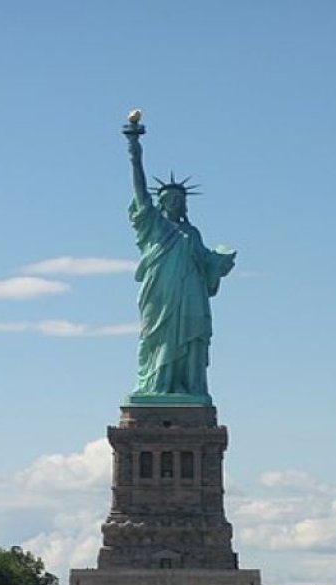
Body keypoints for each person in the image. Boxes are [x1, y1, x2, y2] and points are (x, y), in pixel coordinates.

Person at [124, 120, 236, 403]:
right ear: (160, 203)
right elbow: (139, 192)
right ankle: (155, 385)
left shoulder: (191, 233)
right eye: (168, 198)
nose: (174, 202)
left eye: (178, 199)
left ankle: (188, 387)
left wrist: (220, 262)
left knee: (192, 338)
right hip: (160, 295)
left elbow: (206, 263)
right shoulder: (153, 226)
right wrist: (134, 150)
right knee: (156, 339)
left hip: (191, 296)